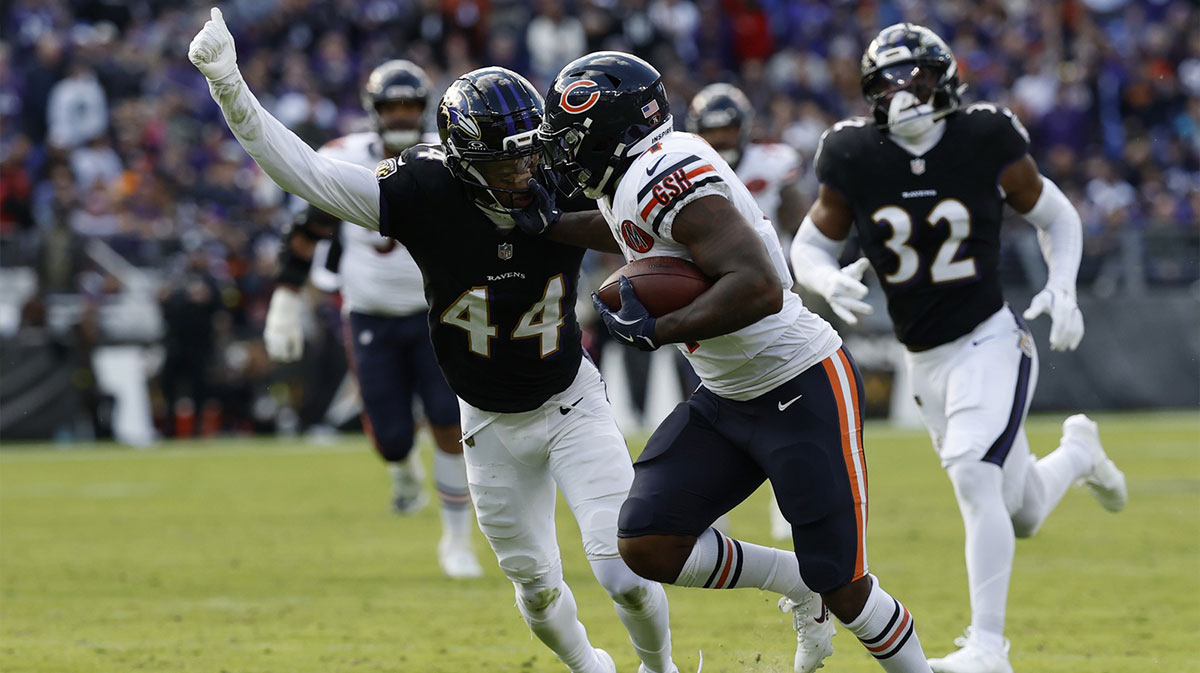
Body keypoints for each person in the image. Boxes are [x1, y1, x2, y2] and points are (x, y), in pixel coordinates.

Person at [188, 11, 678, 673]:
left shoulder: (560, 176)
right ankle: (591, 668)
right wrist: (228, 86)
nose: (524, 168)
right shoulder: (425, 189)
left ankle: (660, 667)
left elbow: (654, 213)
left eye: (531, 151)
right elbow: (306, 173)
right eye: (504, 159)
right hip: (487, 421)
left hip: (570, 401)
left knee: (622, 564)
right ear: (465, 160)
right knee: (535, 590)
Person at [531, 50, 935, 673]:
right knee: (648, 542)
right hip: (727, 396)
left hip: (799, 384)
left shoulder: (662, 175)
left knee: (846, 586)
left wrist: (658, 328)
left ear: (612, 131)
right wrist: (543, 224)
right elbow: (627, 230)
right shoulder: (637, 174)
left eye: (573, 138)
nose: (565, 152)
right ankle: (799, 584)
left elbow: (758, 286)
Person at [788, 24, 1127, 673]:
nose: (901, 92)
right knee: (1019, 510)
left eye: (913, 76)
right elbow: (809, 244)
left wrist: (1063, 286)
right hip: (925, 360)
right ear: (869, 94)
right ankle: (1080, 451)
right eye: (886, 82)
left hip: (989, 339)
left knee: (975, 474)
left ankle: (988, 648)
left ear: (942, 79)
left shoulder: (984, 136)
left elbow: (1056, 214)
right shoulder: (854, 153)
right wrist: (825, 276)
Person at [261, 59, 482, 579]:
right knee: (392, 439)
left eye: (409, 105)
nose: (401, 115)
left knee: (449, 424)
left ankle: (456, 540)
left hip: (437, 314)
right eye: (391, 106)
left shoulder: (448, 154)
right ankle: (404, 474)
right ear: (373, 111)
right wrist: (288, 296)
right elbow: (308, 225)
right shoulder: (347, 156)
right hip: (369, 315)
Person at [686, 82, 805, 541]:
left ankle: (787, 505)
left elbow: (800, 222)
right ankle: (710, 509)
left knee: (787, 403)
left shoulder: (773, 162)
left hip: (770, 294)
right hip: (709, 294)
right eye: (713, 135)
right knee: (709, 402)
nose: (723, 144)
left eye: (730, 132)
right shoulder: (682, 167)